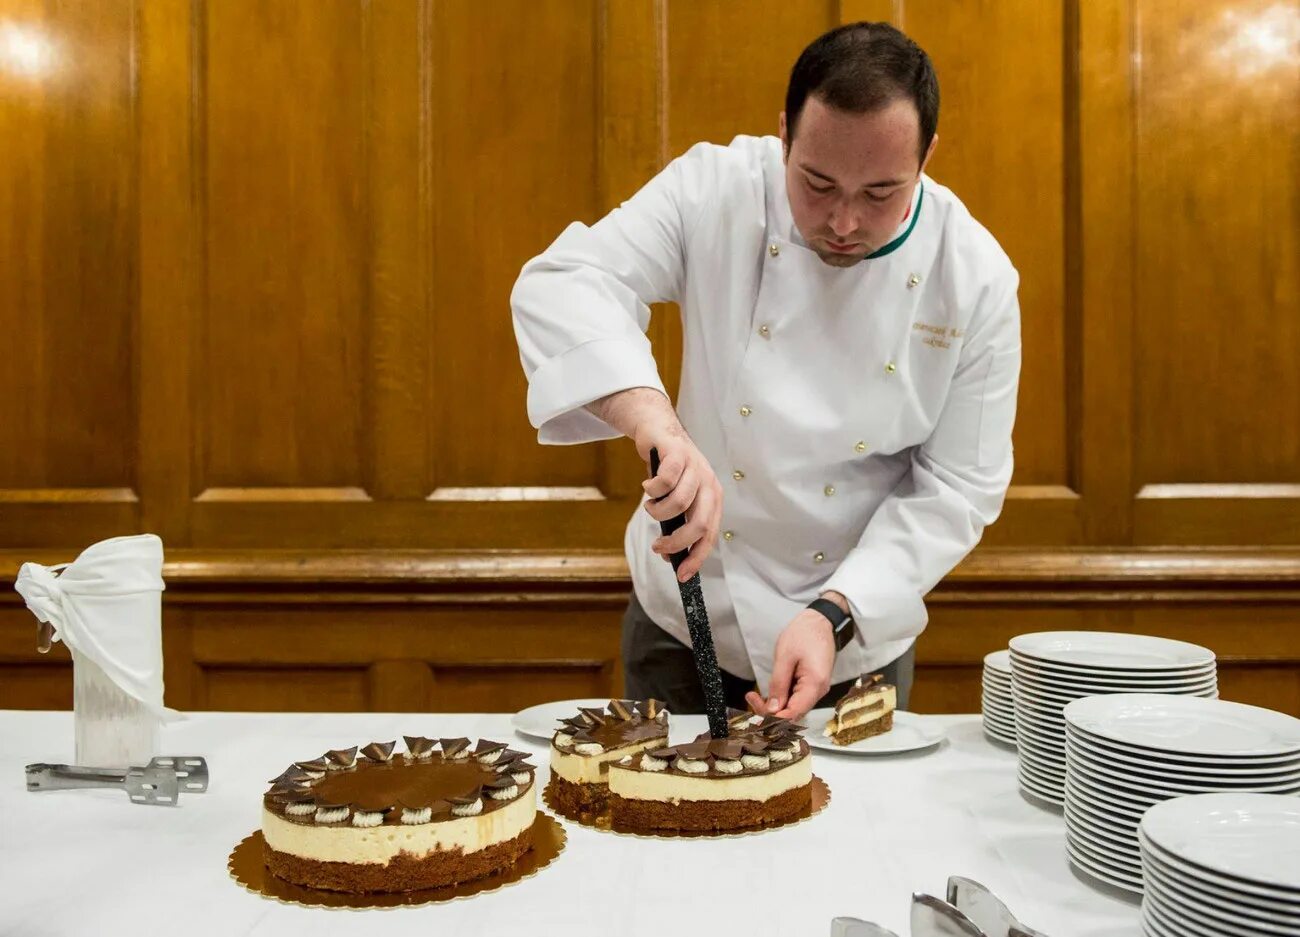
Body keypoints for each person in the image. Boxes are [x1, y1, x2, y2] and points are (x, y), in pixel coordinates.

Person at [511, 22, 1020, 721]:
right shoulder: (716, 190)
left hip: (856, 641)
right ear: (785, 133)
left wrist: (836, 614)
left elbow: (959, 487)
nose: (843, 220)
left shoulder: (976, 278)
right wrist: (654, 421)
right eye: (816, 183)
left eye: (879, 193)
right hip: (687, 621)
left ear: (927, 156)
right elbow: (563, 282)